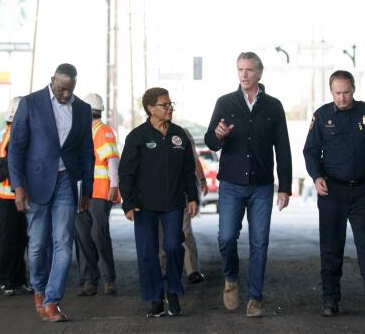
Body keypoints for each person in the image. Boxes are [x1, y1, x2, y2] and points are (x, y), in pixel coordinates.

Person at [203, 51, 292, 318]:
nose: (244, 74)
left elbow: (283, 148)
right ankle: (230, 278)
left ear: (259, 73)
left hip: (262, 186)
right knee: (226, 237)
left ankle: (255, 298)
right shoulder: (225, 102)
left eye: (249, 70)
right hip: (231, 184)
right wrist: (218, 136)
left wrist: (285, 186)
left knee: (259, 242)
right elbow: (210, 141)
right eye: (240, 69)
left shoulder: (273, 106)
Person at [304, 70, 365, 316]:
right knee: (331, 246)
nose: (342, 98)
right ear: (331, 91)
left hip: (361, 191)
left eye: (346, 92)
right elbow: (310, 151)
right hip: (331, 190)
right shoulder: (322, 116)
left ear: (353, 89)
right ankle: (330, 299)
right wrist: (317, 177)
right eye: (337, 93)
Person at [9, 63, 95, 323]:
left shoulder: (82, 109)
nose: (66, 95)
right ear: (52, 81)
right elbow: (16, 148)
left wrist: (87, 190)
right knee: (37, 245)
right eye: (61, 89)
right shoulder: (30, 103)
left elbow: (86, 153)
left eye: (70, 90)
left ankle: (52, 300)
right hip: (35, 184)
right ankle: (39, 290)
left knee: (64, 244)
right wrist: (18, 187)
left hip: (66, 183)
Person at [119, 88, 199, 317]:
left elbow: (187, 171)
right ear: (150, 109)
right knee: (148, 252)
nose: (169, 108)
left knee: (174, 245)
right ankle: (155, 298)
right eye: (164, 105)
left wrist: (192, 196)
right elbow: (126, 173)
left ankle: (172, 290)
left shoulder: (179, 135)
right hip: (144, 206)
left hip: (173, 203)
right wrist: (128, 202)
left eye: (170, 103)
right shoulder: (137, 136)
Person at [74, 92, 119, 297]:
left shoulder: (102, 131)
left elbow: (112, 160)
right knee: (83, 238)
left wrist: (114, 186)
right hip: (81, 193)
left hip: (99, 193)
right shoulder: (82, 132)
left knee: (98, 235)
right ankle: (89, 281)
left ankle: (108, 280)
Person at [0, 97, 31, 297]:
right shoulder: (13, 134)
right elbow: (12, 165)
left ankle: (18, 280)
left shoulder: (13, 133)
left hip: (15, 193)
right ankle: (5, 280)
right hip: (9, 195)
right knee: (10, 239)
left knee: (20, 238)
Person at [158, 144, 207, 285]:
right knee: (160, 231)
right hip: (158, 194)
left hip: (181, 192)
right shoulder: (145, 134)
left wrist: (201, 179)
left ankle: (192, 271)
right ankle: (162, 270)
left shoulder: (182, 134)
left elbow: (193, 160)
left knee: (185, 231)